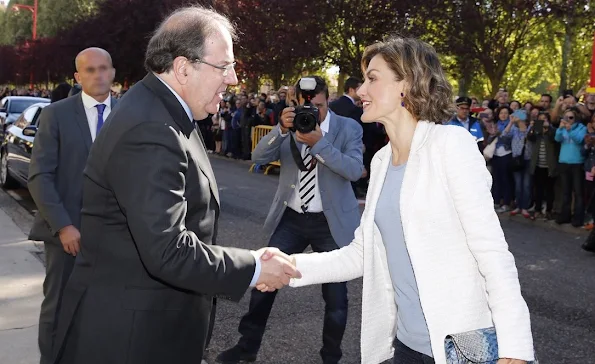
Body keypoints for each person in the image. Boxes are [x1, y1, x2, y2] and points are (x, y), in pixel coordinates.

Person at [262, 36, 535, 364]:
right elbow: (360, 254)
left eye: (372, 79)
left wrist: (516, 349)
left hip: (459, 349)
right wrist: (288, 264)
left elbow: (492, 252)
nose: (361, 91)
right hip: (405, 346)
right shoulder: (380, 162)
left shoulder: (451, 145)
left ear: (407, 84)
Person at [50, 7, 299, 364]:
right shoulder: (151, 128)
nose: (232, 80)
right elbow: (168, 250)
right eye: (224, 66)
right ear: (183, 68)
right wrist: (255, 266)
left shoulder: (162, 110)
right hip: (132, 340)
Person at [217, 76, 363, 364]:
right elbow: (257, 156)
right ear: (295, 103)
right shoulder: (288, 125)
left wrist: (320, 144)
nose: (312, 113)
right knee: (264, 282)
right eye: (305, 106)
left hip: (330, 223)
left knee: (336, 298)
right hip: (292, 218)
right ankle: (246, 348)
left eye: (319, 106)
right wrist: (282, 129)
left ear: (328, 99)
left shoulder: (348, 128)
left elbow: (355, 170)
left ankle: (331, 358)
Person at [27, 48, 117, 364]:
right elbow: (39, 176)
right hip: (68, 236)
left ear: (113, 73)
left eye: (103, 68)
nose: (98, 75)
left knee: (106, 312)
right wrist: (64, 225)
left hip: (116, 238)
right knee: (60, 308)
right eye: (90, 70)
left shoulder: (128, 115)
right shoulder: (57, 115)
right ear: (78, 77)